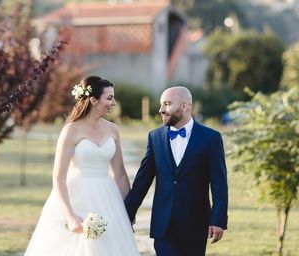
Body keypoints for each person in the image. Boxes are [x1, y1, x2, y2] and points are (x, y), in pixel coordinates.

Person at [24, 76, 140, 256]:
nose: (114, 102)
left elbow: (120, 174)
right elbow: (58, 177)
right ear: (93, 100)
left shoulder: (113, 129)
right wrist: (70, 216)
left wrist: (129, 212)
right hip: (76, 196)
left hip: (108, 197)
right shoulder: (71, 130)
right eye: (109, 98)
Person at [124, 86, 228, 256]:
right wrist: (127, 213)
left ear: (184, 106)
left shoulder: (211, 138)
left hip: (195, 223)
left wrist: (218, 219)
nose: (161, 110)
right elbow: (143, 180)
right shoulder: (155, 137)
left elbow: (219, 183)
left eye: (167, 104)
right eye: (161, 105)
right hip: (163, 224)